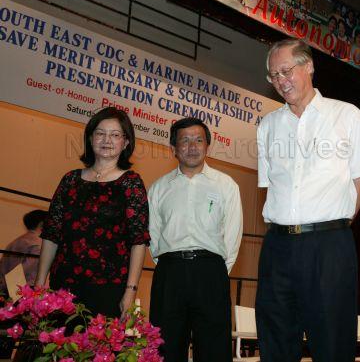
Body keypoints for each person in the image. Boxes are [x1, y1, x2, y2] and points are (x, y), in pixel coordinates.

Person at [256, 38, 360, 362]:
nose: (281, 81)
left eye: (286, 71)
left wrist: (332, 228)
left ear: (308, 66)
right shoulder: (267, 126)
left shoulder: (347, 115)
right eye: (273, 76)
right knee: (275, 342)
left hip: (329, 246)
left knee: (332, 345)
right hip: (278, 247)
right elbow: (270, 187)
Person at [35, 107, 149, 318]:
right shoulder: (70, 180)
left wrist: (130, 291)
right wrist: (40, 284)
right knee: (57, 348)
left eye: (115, 135)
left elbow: (138, 241)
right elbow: (51, 234)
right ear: (90, 138)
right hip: (63, 285)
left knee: (98, 350)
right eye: (100, 133)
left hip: (108, 289)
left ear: (125, 143)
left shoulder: (131, 184)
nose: (107, 140)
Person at [148, 117, 242, 362]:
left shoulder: (226, 185)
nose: (192, 146)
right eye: (185, 141)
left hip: (210, 273)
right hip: (169, 273)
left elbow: (232, 235)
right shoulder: (159, 188)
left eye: (198, 140)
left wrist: (217, 270)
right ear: (173, 149)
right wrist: (170, 266)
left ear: (207, 146)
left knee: (214, 349)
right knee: (165, 347)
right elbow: (153, 235)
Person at [0, 210, 46, 294]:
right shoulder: (39, 245)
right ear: (42, 224)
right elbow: (27, 270)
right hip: (26, 293)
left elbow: (2, 269)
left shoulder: (14, 243)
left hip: (6, 291)